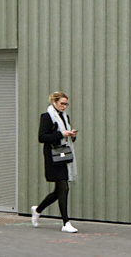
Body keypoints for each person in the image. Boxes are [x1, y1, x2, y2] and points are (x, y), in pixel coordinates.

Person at [31, 91, 77, 233]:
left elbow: (67, 137)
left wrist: (71, 135)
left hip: (63, 156)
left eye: (66, 104)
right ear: (54, 102)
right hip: (53, 157)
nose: (64, 106)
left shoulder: (65, 117)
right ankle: (66, 222)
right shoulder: (46, 117)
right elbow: (42, 137)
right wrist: (60, 134)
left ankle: (37, 210)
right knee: (64, 188)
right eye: (62, 103)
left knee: (59, 191)